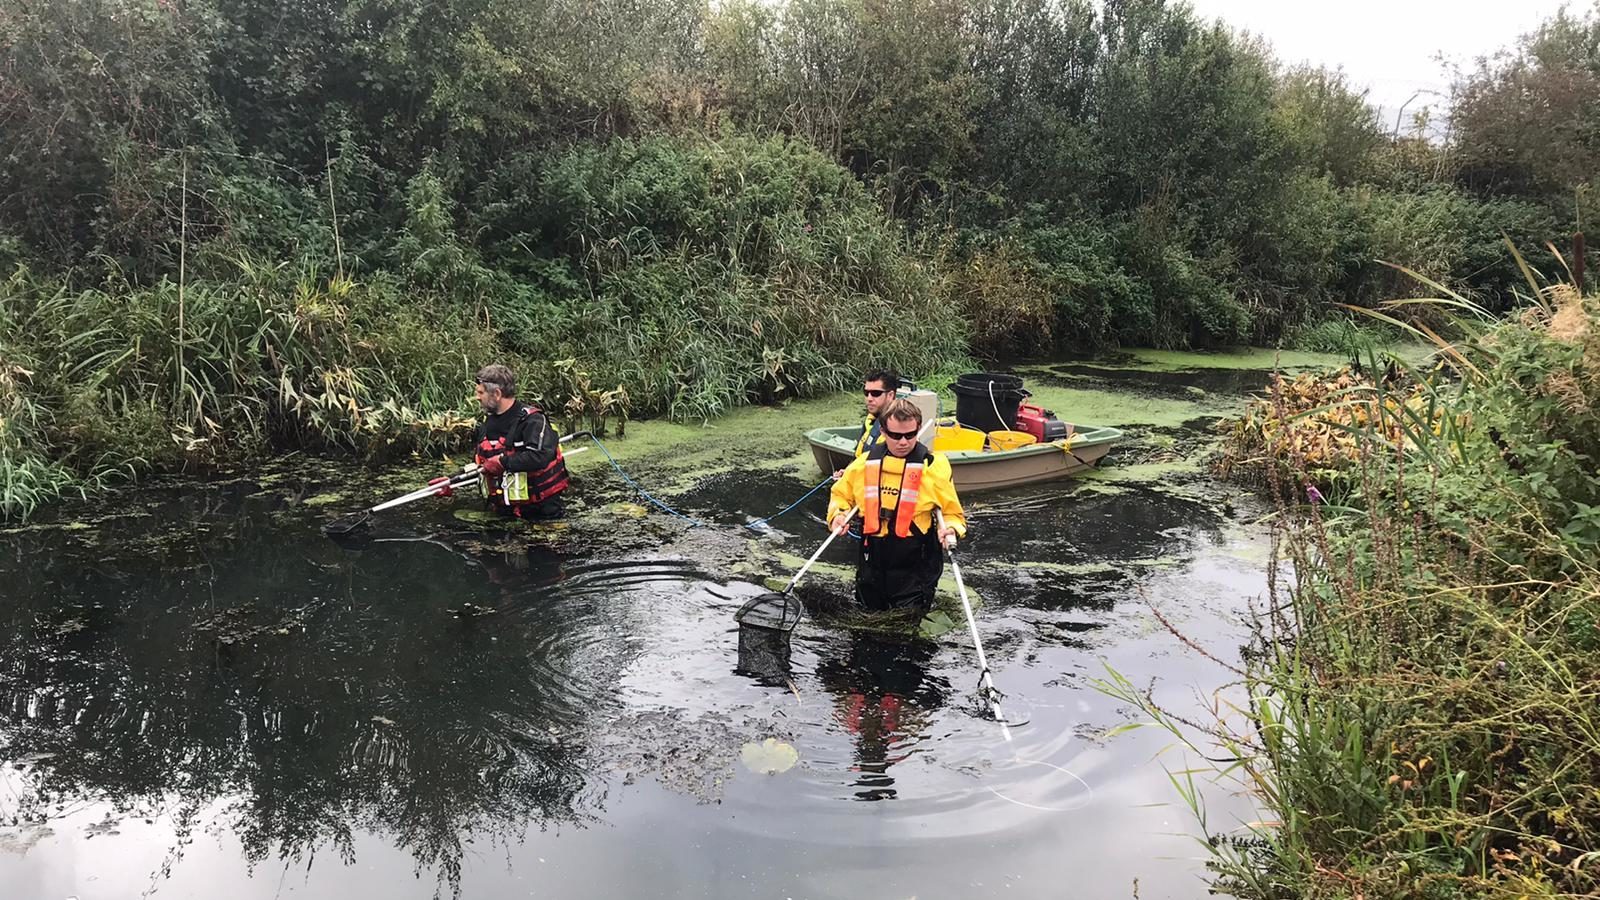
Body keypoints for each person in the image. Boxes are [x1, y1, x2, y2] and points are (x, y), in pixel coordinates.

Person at [827, 398, 967, 615]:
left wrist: (952, 529)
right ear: (883, 431)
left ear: (918, 430)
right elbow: (840, 496)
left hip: (914, 558)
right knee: (867, 614)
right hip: (872, 553)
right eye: (896, 435)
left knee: (908, 620)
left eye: (910, 435)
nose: (903, 442)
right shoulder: (864, 464)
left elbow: (952, 513)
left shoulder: (933, 468)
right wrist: (837, 515)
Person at [457, 364, 570, 520]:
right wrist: (451, 481)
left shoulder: (533, 421)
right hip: (502, 512)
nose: (477, 397)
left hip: (542, 514)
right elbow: (481, 465)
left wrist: (503, 462)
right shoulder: (486, 424)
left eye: (480, 392)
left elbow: (540, 456)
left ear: (496, 394)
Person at [853, 368, 902, 458]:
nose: (869, 398)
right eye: (866, 393)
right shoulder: (871, 420)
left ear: (890, 395)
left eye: (876, 393)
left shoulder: (899, 426)